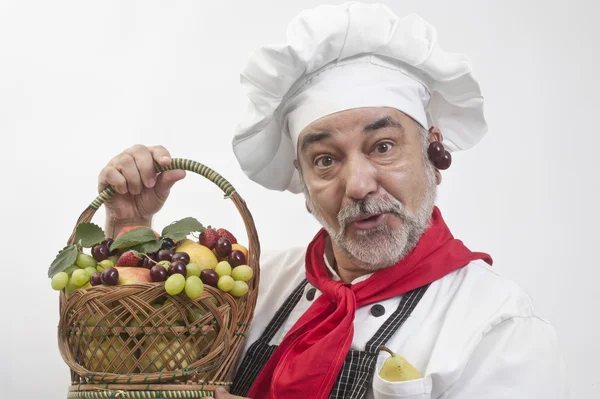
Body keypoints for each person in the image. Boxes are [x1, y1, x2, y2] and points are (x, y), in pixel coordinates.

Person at [97, 3, 568, 398]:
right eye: (325, 160)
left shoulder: (498, 331)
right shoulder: (249, 286)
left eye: (383, 146)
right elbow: (134, 371)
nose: (358, 185)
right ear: (301, 182)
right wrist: (128, 230)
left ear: (431, 150)